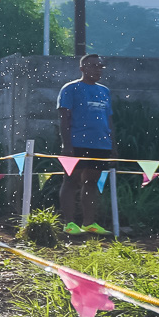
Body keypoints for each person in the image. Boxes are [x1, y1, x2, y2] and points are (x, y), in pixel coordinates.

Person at [57, 52, 114, 226]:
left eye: (100, 66)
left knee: (91, 183)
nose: (98, 69)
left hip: (101, 145)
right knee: (71, 181)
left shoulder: (105, 91)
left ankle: (89, 224)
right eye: (93, 66)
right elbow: (64, 119)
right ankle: (69, 224)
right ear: (82, 68)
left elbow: (109, 121)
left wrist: (113, 146)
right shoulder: (70, 88)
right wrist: (67, 145)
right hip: (77, 143)